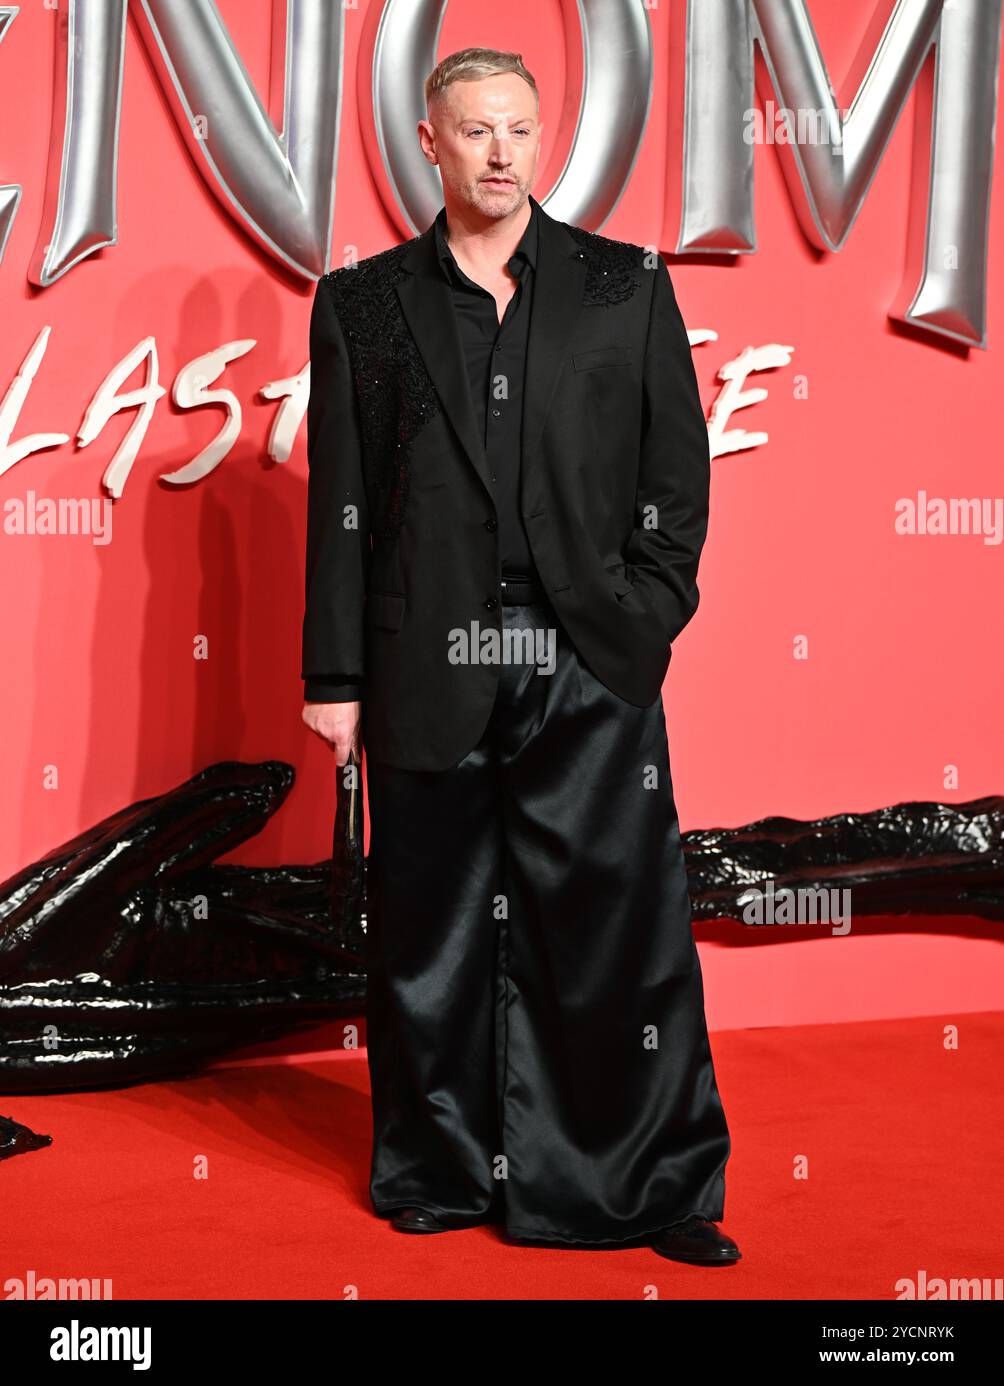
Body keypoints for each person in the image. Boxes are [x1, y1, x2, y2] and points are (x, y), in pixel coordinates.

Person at [301, 47, 738, 1265]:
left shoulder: (620, 286)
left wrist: (640, 616)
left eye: (519, 130)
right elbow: (340, 506)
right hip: (422, 661)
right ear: (428, 144)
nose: (500, 152)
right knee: (430, 931)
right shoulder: (365, 304)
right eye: (475, 131)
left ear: (538, 140)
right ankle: (442, 1172)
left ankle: (643, 1185)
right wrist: (333, 678)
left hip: (585, 658)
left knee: (612, 932)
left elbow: (675, 481)